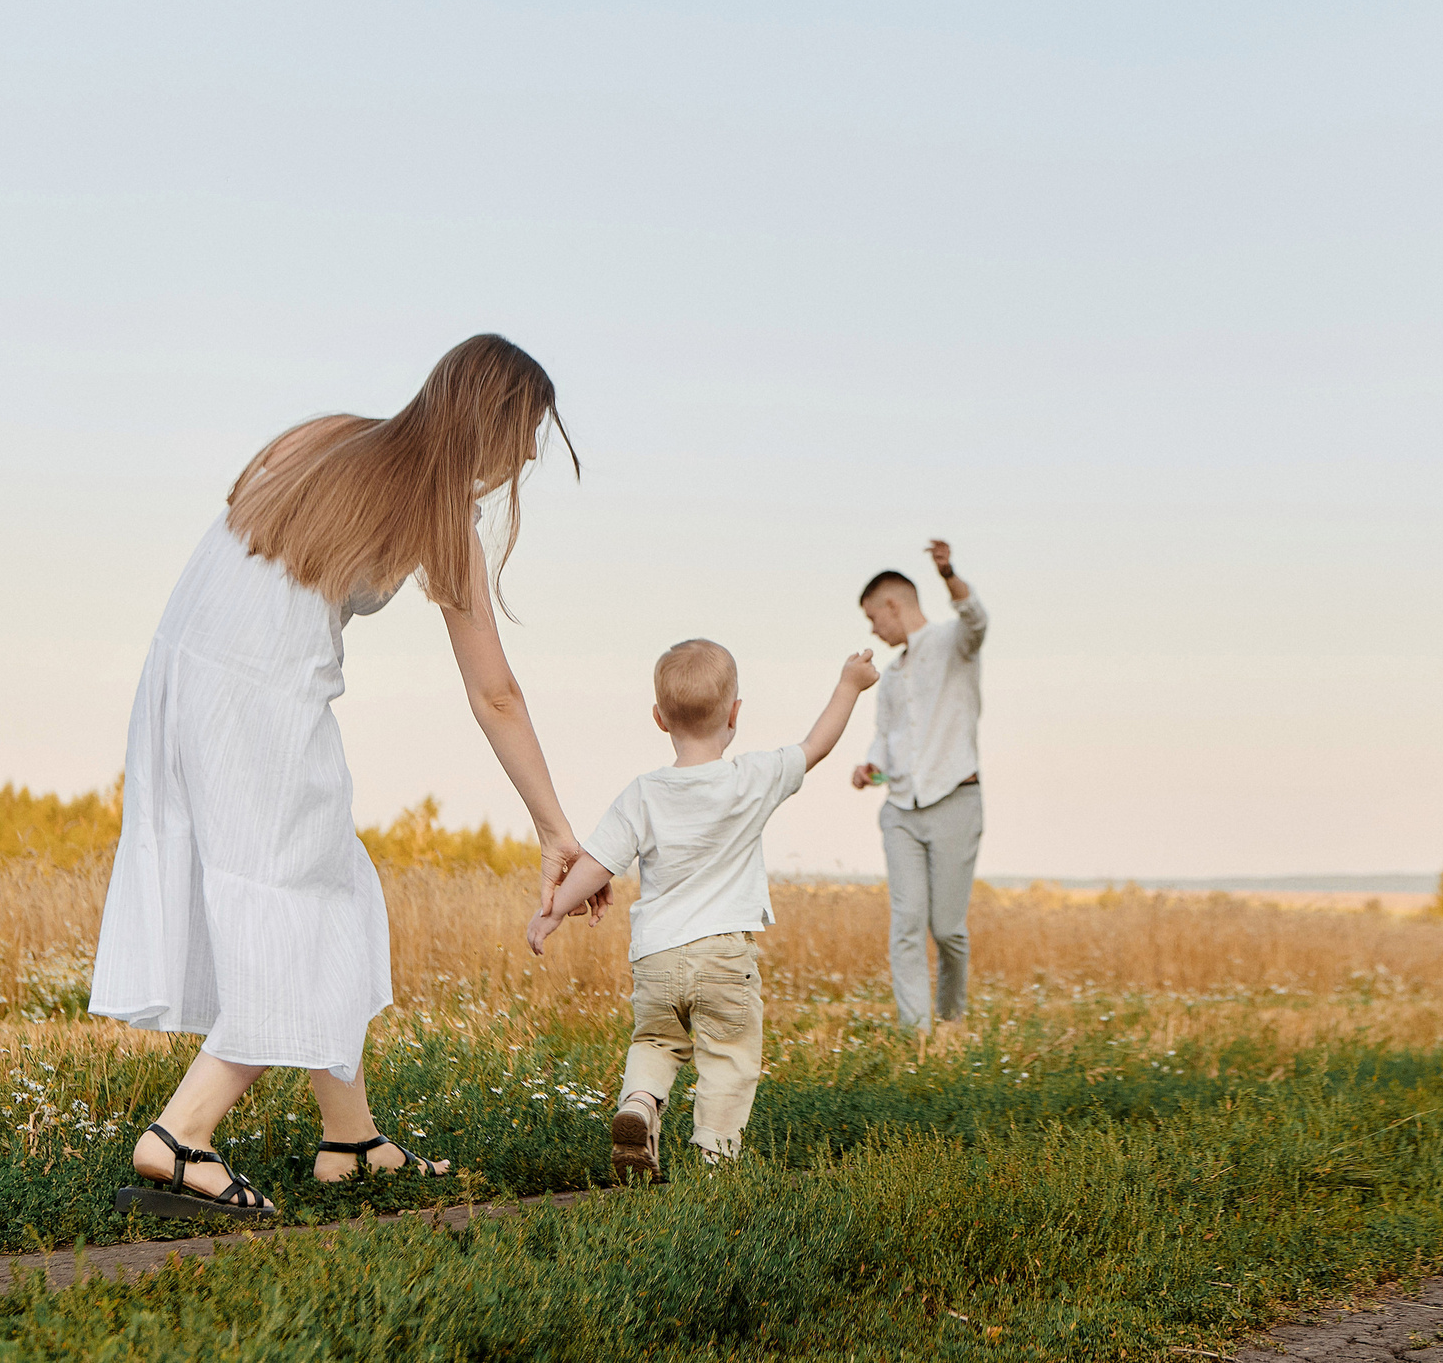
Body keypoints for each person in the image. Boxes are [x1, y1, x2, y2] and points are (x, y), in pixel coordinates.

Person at [89, 334, 600, 1218]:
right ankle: (179, 1136)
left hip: (183, 674)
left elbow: (240, 517)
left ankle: (352, 1140)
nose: (527, 457)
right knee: (312, 927)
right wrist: (557, 829)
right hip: (261, 701)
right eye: (527, 434)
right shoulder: (442, 510)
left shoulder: (326, 437)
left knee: (337, 898)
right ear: (495, 423)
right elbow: (497, 691)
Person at [529, 640, 878, 1181]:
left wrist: (553, 912)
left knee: (655, 1041)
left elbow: (599, 862)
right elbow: (817, 745)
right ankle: (716, 1164)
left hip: (658, 958)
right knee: (729, 1058)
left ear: (658, 718)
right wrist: (849, 684)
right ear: (735, 712)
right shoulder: (751, 778)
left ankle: (640, 1104)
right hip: (724, 956)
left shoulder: (643, 793)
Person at [851, 539, 988, 1030]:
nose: (873, 629)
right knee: (907, 924)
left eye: (873, 618)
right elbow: (886, 740)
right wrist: (870, 768)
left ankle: (951, 1022)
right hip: (901, 811)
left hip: (956, 801)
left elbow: (977, 619)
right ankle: (918, 1034)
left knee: (947, 929)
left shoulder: (955, 643)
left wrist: (949, 573)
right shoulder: (889, 677)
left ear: (892, 604)